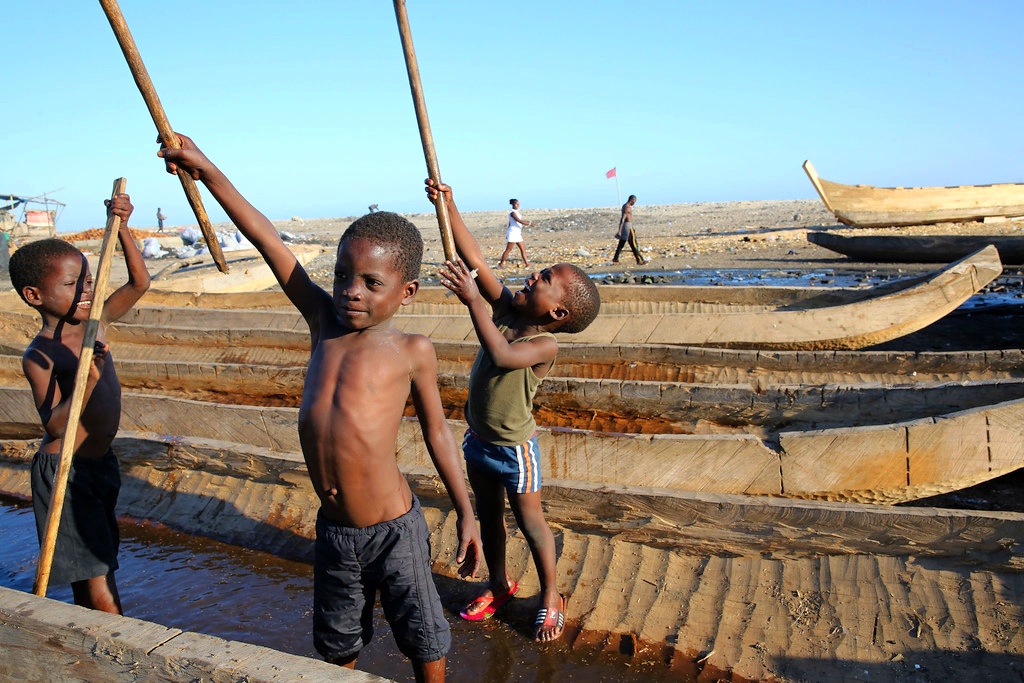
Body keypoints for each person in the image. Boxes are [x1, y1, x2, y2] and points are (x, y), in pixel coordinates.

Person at [157, 133, 482, 683]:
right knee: (337, 642)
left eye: (370, 283)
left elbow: (439, 436)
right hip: (335, 531)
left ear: (407, 292)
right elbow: (265, 237)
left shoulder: (411, 350)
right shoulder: (321, 323)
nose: (350, 291)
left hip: (394, 530)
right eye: (341, 276)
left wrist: (466, 513)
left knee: (422, 637)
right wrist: (204, 167)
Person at [426, 179, 601, 642]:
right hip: (479, 441)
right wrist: (449, 204)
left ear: (559, 314)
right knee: (489, 518)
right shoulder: (505, 306)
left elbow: (503, 356)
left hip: (514, 450)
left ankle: (550, 596)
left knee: (530, 521)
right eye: (539, 270)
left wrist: (471, 303)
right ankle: (499, 583)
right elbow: (477, 259)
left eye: (544, 280)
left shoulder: (542, 344)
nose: (533, 276)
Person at [8, 193, 151, 614]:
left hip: (98, 464)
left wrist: (121, 226)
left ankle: (86, 635)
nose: (86, 290)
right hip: (64, 472)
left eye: (88, 281)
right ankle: (122, 649)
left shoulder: (98, 322)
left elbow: (140, 283)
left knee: (95, 562)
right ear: (34, 295)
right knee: (97, 577)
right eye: (73, 285)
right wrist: (85, 381)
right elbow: (54, 425)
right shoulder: (40, 354)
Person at [497, 198, 533, 269]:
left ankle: (527, 264)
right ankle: (501, 264)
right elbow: (519, 221)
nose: (518, 205)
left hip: (516, 233)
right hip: (513, 233)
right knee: (508, 249)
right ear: (513, 204)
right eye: (517, 204)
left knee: (523, 249)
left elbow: (510, 224)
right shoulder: (513, 213)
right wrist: (529, 223)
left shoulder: (516, 212)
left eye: (518, 204)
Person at [612, 194, 646, 265]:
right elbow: (623, 219)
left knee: (621, 244)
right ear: (632, 200)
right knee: (634, 244)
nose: (634, 203)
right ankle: (640, 260)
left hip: (626, 227)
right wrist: (620, 230)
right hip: (628, 227)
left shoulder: (625, 206)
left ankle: (615, 259)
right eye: (634, 201)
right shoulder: (627, 207)